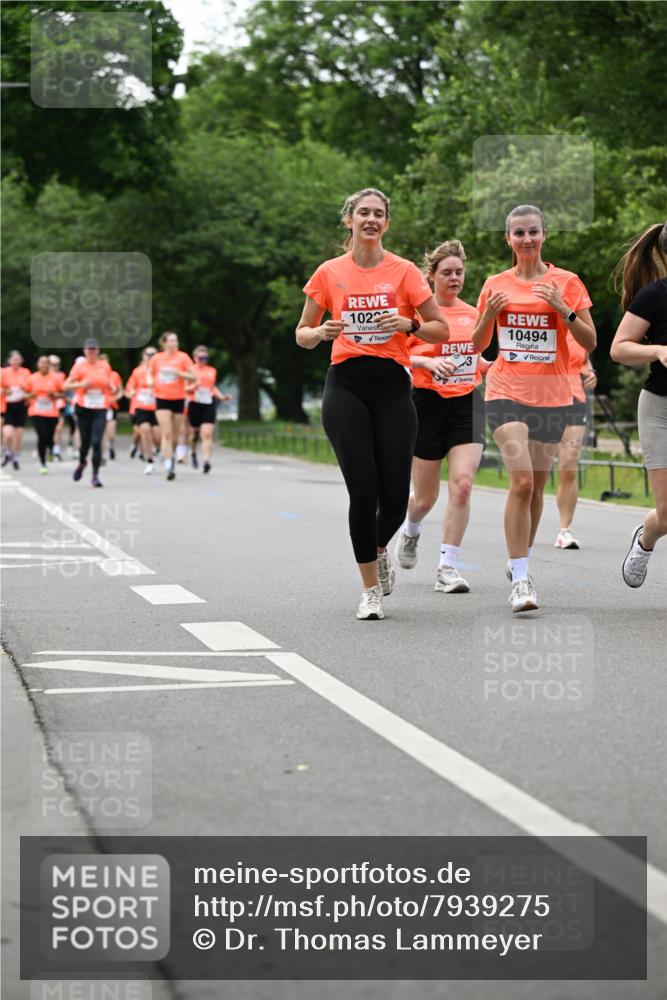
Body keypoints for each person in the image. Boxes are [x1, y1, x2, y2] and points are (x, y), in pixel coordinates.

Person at [296, 187, 448, 620]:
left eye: (378, 214)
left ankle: (379, 547)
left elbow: (439, 329)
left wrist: (409, 323)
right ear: (349, 220)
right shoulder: (329, 272)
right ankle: (369, 590)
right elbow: (301, 333)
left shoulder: (403, 272)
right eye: (363, 213)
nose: (371, 220)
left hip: (392, 386)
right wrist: (320, 333)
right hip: (345, 383)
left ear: (387, 223)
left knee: (396, 498)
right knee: (363, 488)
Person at [472, 204, 596, 612]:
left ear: (544, 235)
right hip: (505, 390)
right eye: (518, 233)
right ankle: (523, 580)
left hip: (554, 396)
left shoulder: (567, 282)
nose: (526, 240)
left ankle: (517, 559)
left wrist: (564, 308)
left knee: (538, 488)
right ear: (508, 239)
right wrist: (488, 315)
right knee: (521, 483)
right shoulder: (495, 283)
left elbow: (590, 341)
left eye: (533, 232)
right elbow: (476, 345)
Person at [394, 240, 490, 593]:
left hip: (467, 403)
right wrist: (427, 361)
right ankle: (411, 528)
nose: (454, 278)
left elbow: (475, 356)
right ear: (431, 276)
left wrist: (490, 364)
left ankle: (447, 567)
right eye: (446, 272)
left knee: (463, 485)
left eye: (459, 272)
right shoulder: (418, 316)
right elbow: (397, 356)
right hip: (427, 404)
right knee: (424, 498)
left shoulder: (473, 313)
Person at [611, 220, 667, 587]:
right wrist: (658, 349)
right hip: (661, 408)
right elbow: (619, 348)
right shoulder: (654, 296)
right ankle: (646, 540)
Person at [554, 334, 597, 549]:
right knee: (535, 471)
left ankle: (564, 530)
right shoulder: (543, 317)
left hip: (575, 399)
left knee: (569, 465)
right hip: (544, 397)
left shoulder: (579, 327)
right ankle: (524, 524)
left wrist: (591, 373)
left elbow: (584, 360)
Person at [64, 338, 114, 487]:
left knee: (97, 442)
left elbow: (109, 383)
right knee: (85, 443)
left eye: (94, 349)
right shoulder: (79, 367)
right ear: (84, 351)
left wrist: (111, 386)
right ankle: (82, 462)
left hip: (100, 407)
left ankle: (95, 476)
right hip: (83, 408)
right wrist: (81, 384)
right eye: (89, 349)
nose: (91, 352)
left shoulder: (104, 366)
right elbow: (66, 385)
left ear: (98, 351)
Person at [149, 331, 196, 480]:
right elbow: (149, 374)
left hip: (178, 398)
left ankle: (171, 455)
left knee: (175, 436)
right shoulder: (157, 358)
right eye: (171, 341)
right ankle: (169, 464)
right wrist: (150, 382)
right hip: (161, 397)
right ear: (163, 343)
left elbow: (193, 376)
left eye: (176, 340)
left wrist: (180, 374)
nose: (175, 343)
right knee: (166, 433)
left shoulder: (183, 357)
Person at [188, 346, 231, 474]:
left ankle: (206, 461)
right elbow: (184, 388)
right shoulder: (189, 370)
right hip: (194, 403)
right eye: (201, 358)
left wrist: (222, 396)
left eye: (205, 358)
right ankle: (193, 452)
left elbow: (212, 387)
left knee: (207, 433)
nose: (203, 360)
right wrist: (193, 386)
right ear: (195, 358)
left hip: (208, 403)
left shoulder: (212, 370)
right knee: (193, 435)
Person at [25, 356, 64, 473]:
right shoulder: (32, 378)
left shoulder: (56, 378)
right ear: (38, 364)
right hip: (36, 411)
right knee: (41, 436)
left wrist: (54, 395)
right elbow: (25, 395)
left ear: (49, 365)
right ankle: (43, 463)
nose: (44, 365)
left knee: (49, 437)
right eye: (41, 363)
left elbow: (62, 394)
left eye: (46, 363)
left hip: (51, 412)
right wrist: (32, 395)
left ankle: (51, 448)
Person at [126, 346, 159, 475]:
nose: (150, 357)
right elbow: (129, 390)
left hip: (157, 407)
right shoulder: (137, 372)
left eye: (153, 354)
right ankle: (149, 460)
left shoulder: (160, 372)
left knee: (157, 436)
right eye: (148, 354)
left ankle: (159, 451)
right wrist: (132, 393)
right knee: (144, 431)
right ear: (143, 356)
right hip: (141, 406)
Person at [1, 351, 31, 470]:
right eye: (14, 359)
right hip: (8, 405)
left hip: (21, 405)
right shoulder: (4, 372)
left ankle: (16, 456)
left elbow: (30, 387)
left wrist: (25, 392)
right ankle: (8, 451)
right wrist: (5, 391)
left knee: (18, 434)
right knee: (8, 433)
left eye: (18, 359)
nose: (16, 362)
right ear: (9, 361)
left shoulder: (26, 372)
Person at [99, 354, 123, 460]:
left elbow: (121, 391)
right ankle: (102, 453)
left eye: (106, 362)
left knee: (111, 432)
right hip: (99, 406)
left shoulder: (114, 375)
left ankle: (111, 445)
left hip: (111, 406)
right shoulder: (96, 375)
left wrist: (115, 398)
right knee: (101, 431)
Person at [47, 355, 67, 460]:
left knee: (58, 428)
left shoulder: (61, 375)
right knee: (49, 430)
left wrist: (57, 395)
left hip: (59, 405)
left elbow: (64, 391)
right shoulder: (44, 376)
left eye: (57, 365)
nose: (55, 367)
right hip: (47, 407)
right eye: (53, 364)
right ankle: (48, 448)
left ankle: (56, 450)